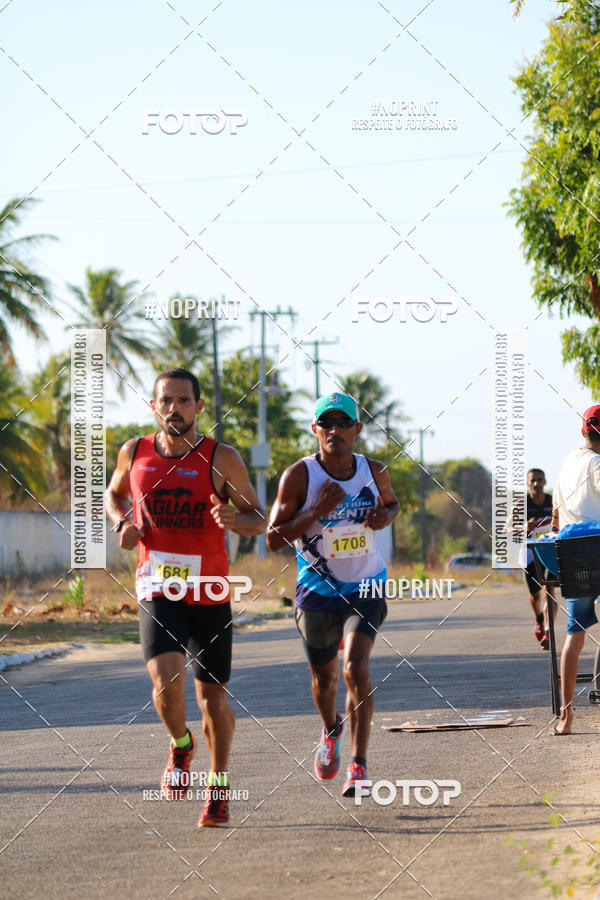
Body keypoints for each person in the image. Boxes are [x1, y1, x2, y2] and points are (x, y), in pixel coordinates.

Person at [105, 368, 266, 826]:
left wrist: (236, 521)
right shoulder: (134, 452)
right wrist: (123, 523)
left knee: (212, 698)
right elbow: (114, 495)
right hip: (158, 586)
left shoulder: (221, 459)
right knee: (165, 682)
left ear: (198, 406)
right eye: (166, 400)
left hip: (209, 590)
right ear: (154, 406)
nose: (173, 408)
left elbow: (259, 516)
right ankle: (180, 745)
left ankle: (218, 788)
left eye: (182, 400)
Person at [266, 392, 399, 796]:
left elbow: (393, 505)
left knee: (355, 668)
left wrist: (384, 516)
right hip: (317, 590)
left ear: (357, 429)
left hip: (366, 583)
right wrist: (315, 511)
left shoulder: (374, 471)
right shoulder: (300, 476)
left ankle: (359, 766)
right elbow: (273, 539)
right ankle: (330, 729)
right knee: (324, 679)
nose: (335, 430)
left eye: (343, 423)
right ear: (315, 429)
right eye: (327, 423)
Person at [551, 405, 600, 735]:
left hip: (573, 557)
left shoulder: (569, 461)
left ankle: (566, 718)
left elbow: (555, 516)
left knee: (574, 634)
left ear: (584, 431)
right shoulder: (597, 464)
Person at [524, 468, 556, 650]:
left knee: (549, 592)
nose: (536, 483)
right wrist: (524, 526)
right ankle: (539, 618)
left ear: (545, 482)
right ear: (527, 483)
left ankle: (548, 632)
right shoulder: (521, 504)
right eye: (533, 480)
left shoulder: (552, 501)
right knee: (535, 595)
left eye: (540, 480)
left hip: (549, 551)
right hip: (530, 554)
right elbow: (505, 530)